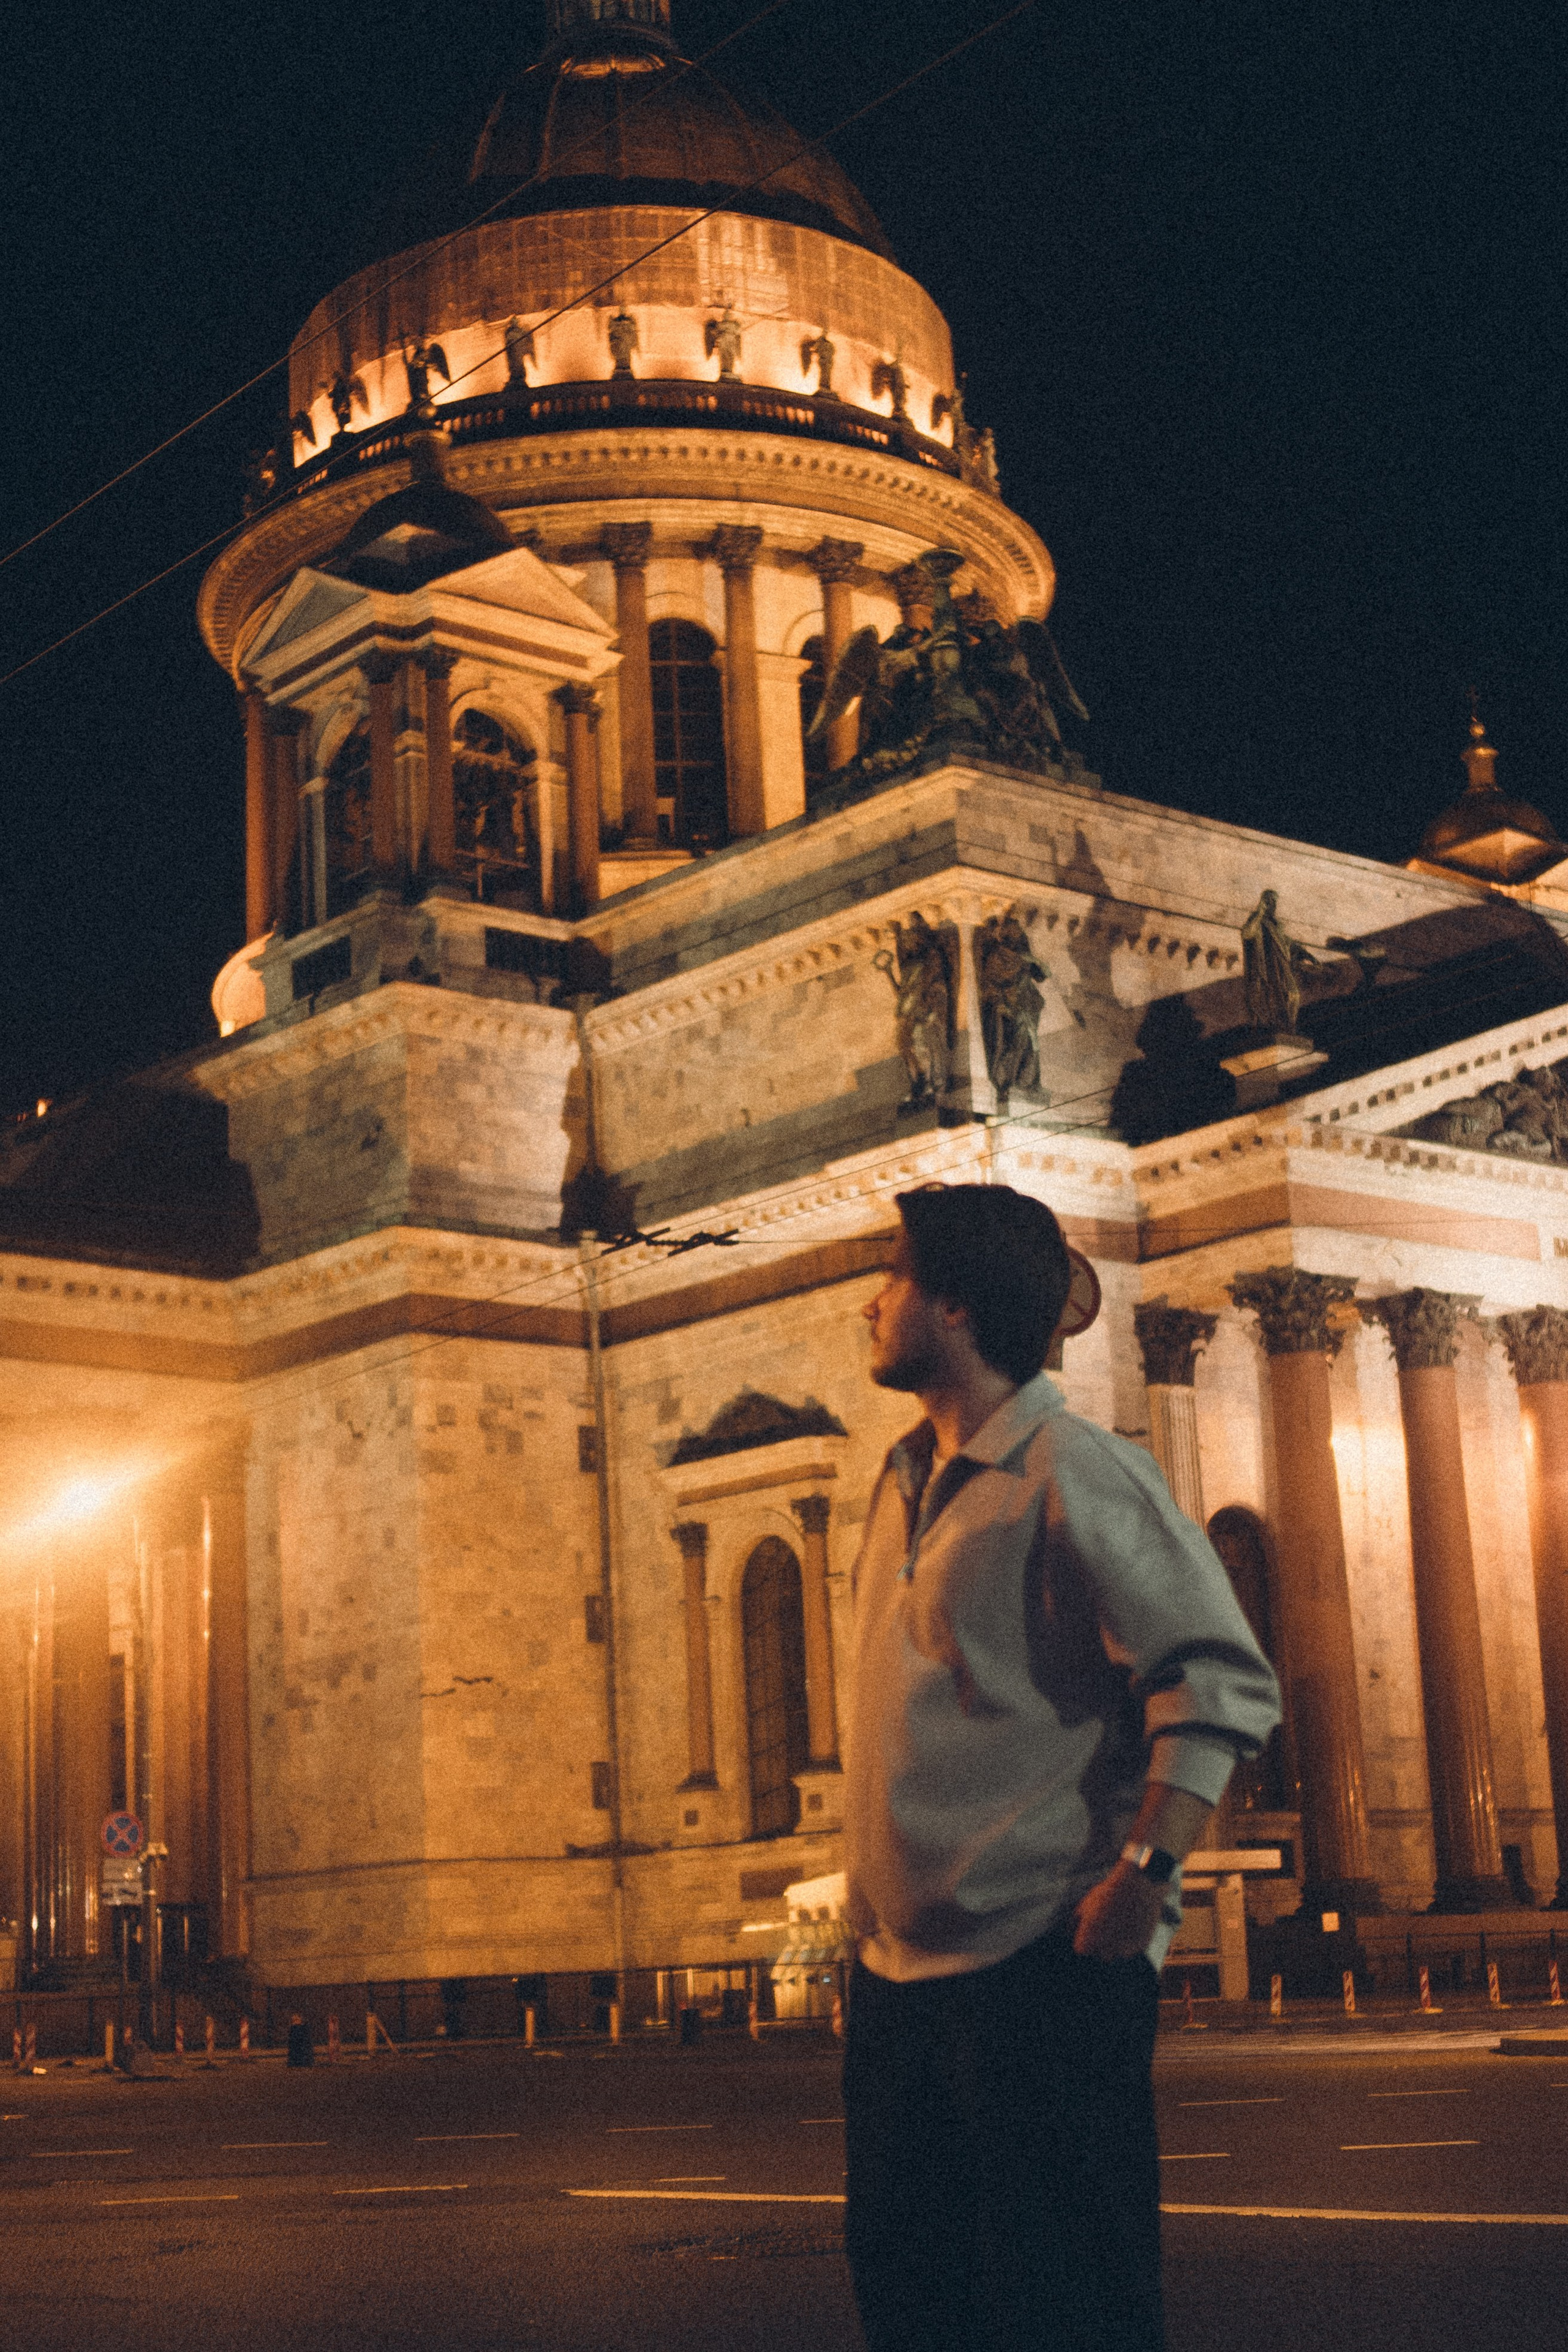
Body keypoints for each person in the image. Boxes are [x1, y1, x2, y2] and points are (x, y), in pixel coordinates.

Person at [843, 1183, 1281, 2352]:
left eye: (890, 1279)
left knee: (1064, 2305)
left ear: (955, 1306)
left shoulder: (1076, 1468)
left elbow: (1217, 1681)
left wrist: (1146, 1869)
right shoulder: (898, 1480)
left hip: (1037, 1968)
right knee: (915, 2299)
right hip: (895, 1984)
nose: (868, 1304)